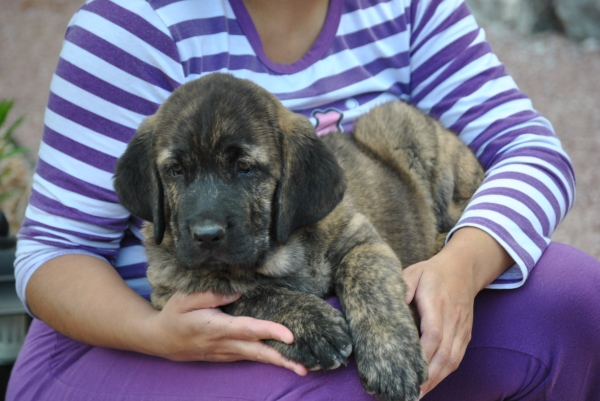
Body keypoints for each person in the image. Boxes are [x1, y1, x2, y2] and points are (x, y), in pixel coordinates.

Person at [6, 0, 600, 400]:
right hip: (129, 346)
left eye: (245, 168)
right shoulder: (134, 23)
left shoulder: (405, 8)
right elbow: (48, 254)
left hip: (349, 294)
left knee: (576, 297)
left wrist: (459, 269)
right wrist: (154, 331)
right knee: (331, 375)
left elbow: (532, 151)